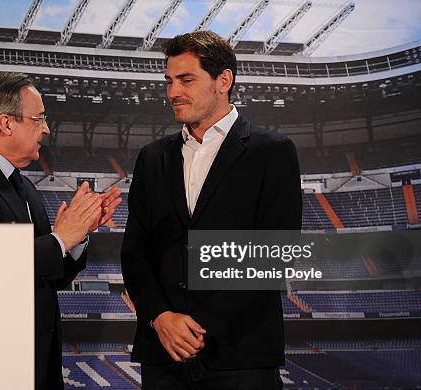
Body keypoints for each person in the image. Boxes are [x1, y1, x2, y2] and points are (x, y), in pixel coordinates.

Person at [121, 31, 301, 389]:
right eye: (169, 81)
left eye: (186, 80)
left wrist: (198, 328)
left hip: (241, 356)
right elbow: (135, 251)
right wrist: (160, 318)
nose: (173, 92)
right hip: (163, 356)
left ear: (224, 80)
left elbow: (273, 255)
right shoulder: (153, 157)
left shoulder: (273, 151)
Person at [0, 72, 121, 390]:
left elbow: (49, 276)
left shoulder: (22, 185)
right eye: (39, 119)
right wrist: (61, 238)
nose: (46, 128)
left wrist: (78, 235)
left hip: (35, 366)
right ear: (6, 123)